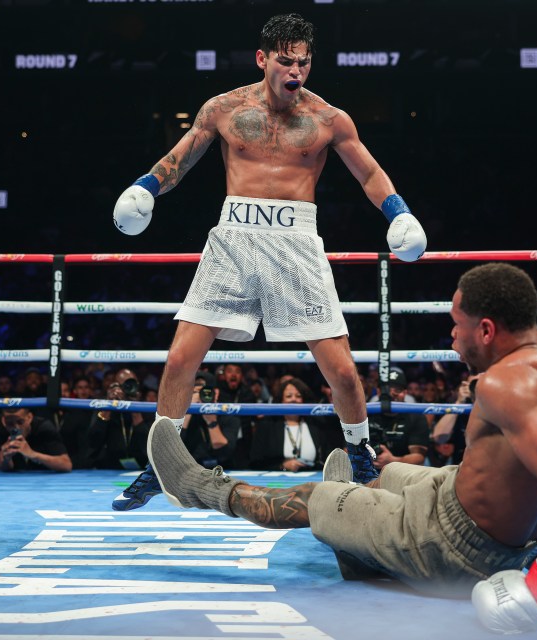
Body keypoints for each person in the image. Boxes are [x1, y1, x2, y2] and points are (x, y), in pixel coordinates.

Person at [145, 263, 537, 634]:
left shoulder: (503, 384)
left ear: (487, 330)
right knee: (388, 476)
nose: (452, 337)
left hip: (450, 547)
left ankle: (193, 485)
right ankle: (359, 536)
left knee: (317, 498)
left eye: (457, 324)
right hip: (460, 500)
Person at [111, 13, 427, 492]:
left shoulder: (329, 119)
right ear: (262, 59)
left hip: (296, 242)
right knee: (179, 360)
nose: (295, 70)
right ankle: (161, 463)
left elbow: (368, 173)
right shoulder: (223, 108)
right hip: (234, 238)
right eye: (285, 61)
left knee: (342, 370)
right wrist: (145, 187)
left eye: (303, 62)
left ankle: (361, 456)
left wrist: (399, 213)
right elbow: (182, 157)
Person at [249, 376, 343, 471]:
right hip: (277, 478)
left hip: (312, 476)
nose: (294, 399)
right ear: (281, 400)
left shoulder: (316, 423)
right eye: (289, 396)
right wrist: (282, 466)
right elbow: (256, 462)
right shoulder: (267, 425)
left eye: (298, 396)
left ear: (303, 400)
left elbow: (328, 458)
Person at [87, 368, 152, 470]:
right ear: (116, 386)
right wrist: (109, 405)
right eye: (125, 385)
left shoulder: (146, 408)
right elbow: (93, 441)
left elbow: (149, 446)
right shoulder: (104, 406)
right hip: (110, 468)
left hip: (142, 467)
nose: (128, 388)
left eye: (132, 383)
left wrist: (135, 410)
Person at [0, 407, 72, 472]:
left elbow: (66, 465)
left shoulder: (44, 429)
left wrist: (34, 455)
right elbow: (5, 468)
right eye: (10, 423)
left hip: (46, 479)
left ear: (29, 417)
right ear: (3, 421)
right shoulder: (1, 430)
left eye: (20, 422)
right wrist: (6, 459)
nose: (16, 428)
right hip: (16, 480)